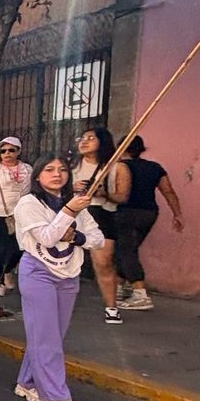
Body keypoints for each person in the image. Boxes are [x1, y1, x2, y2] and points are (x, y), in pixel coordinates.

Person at [13, 157, 105, 401]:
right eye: (49, 170)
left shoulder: (79, 207)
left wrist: (78, 237)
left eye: (62, 170)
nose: (57, 174)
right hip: (38, 273)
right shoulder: (28, 204)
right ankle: (57, 397)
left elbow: (97, 239)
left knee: (52, 335)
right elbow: (47, 237)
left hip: (68, 273)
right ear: (38, 176)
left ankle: (28, 381)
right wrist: (68, 211)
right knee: (46, 337)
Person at [116, 136, 184, 312]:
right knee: (128, 249)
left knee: (126, 250)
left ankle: (140, 294)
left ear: (122, 148)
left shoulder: (120, 167)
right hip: (148, 213)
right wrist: (177, 214)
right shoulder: (154, 168)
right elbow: (168, 191)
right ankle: (119, 287)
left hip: (125, 212)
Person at [72, 128, 131, 324]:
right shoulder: (69, 167)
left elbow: (123, 196)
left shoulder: (117, 168)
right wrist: (70, 188)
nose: (84, 141)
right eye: (83, 138)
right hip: (73, 214)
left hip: (101, 215)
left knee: (103, 262)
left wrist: (104, 193)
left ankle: (111, 307)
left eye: (91, 138)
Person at [0, 137, 30, 296]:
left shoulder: (27, 170)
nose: (7, 154)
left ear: (18, 151)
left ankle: (7, 272)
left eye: (11, 150)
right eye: (3, 151)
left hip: (21, 215)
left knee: (19, 248)